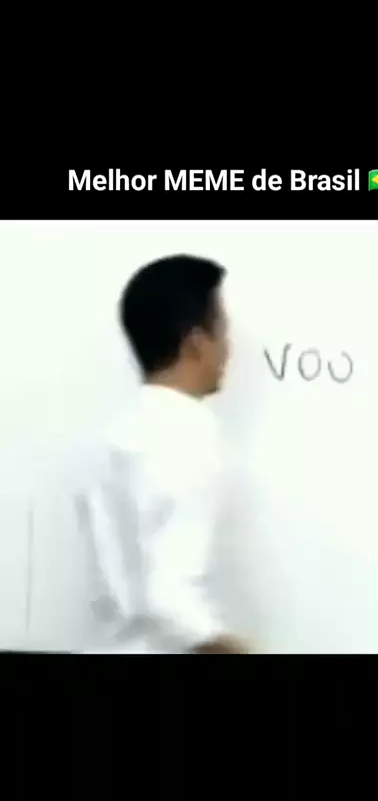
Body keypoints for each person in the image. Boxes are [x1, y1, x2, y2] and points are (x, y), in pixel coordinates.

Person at [81, 254, 248, 654]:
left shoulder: (114, 438)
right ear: (196, 344)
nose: (228, 347)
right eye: (223, 330)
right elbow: (170, 600)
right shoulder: (189, 437)